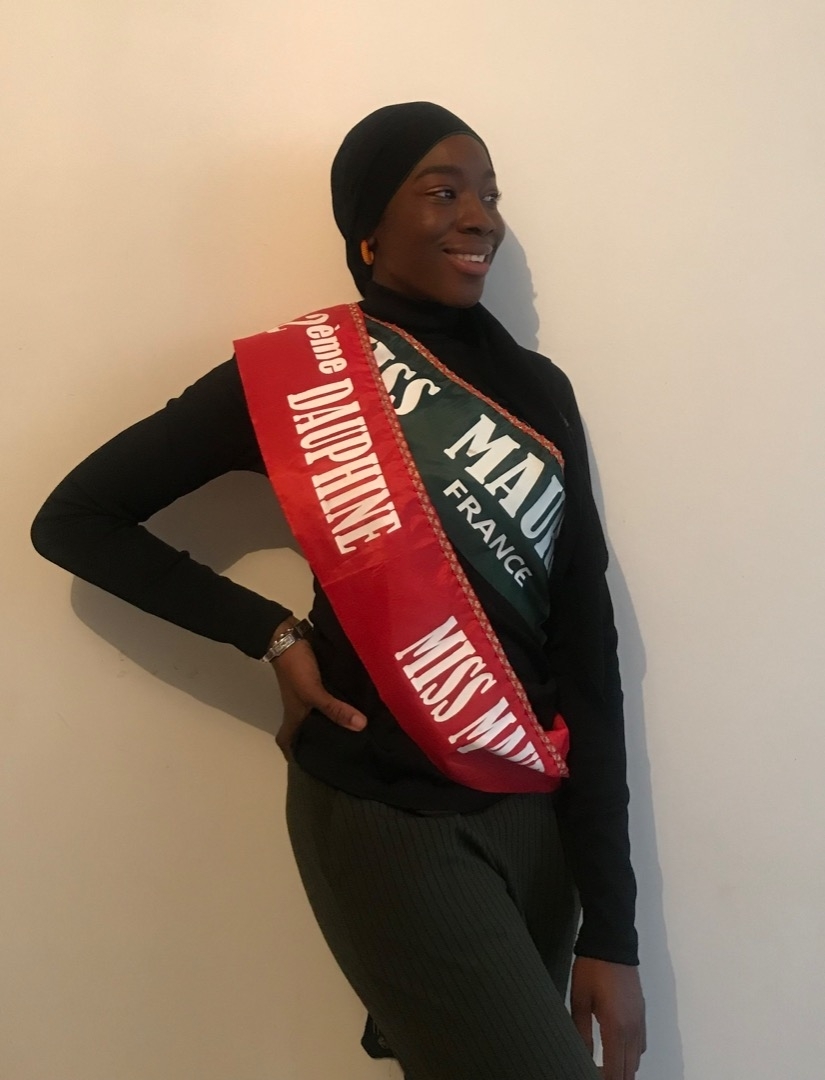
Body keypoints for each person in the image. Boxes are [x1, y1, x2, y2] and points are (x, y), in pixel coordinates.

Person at [31, 102, 645, 1080]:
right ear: (367, 231)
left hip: (535, 814)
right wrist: (271, 633)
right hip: (385, 816)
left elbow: (588, 650)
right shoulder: (295, 380)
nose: (480, 217)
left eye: (489, 195)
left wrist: (613, 927)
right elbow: (75, 519)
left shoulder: (540, 390)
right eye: (443, 192)